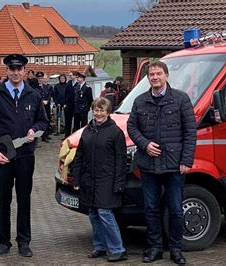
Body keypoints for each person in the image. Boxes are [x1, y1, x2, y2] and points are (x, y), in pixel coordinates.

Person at [127, 61, 196, 264]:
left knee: (175, 209)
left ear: (166, 75)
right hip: (148, 165)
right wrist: (145, 144)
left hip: (175, 165)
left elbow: (190, 132)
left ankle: (175, 248)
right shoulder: (140, 101)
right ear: (147, 77)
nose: (155, 77)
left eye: (158, 74)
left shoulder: (181, 100)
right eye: (151, 74)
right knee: (150, 209)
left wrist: (186, 160)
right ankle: (155, 247)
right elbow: (132, 128)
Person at [0, 54, 48, 257]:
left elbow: (43, 122)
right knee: (3, 200)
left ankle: (24, 242)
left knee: (24, 199)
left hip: (25, 156)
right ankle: (3, 242)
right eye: (12, 69)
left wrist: (34, 130)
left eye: (19, 69)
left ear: (24, 71)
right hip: (2, 157)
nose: (16, 73)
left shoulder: (33, 95)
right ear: (7, 71)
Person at [72, 97, 128, 262]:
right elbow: (79, 155)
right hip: (90, 179)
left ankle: (118, 249)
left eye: (102, 110)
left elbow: (121, 159)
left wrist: (119, 183)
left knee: (105, 213)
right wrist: (76, 179)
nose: (98, 113)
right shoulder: (88, 130)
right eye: (96, 110)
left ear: (108, 112)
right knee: (93, 213)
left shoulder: (115, 132)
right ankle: (100, 246)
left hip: (107, 179)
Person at [36, 71, 53, 142]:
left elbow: (49, 95)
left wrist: (47, 101)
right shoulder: (35, 87)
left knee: (47, 120)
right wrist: (41, 101)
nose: (40, 79)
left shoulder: (46, 86)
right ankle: (37, 136)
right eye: (39, 78)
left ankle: (45, 135)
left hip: (46, 106)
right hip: (39, 107)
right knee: (39, 121)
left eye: (41, 78)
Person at [64, 71, 78, 138]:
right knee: (68, 121)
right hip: (69, 105)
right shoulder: (68, 84)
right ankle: (67, 135)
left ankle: (75, 135)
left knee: (76, 121)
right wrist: (65, 103)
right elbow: (66, 94)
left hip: (76, 105)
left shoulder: (78, 84)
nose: (70, 77)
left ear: (75, 76)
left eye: (71, 75)